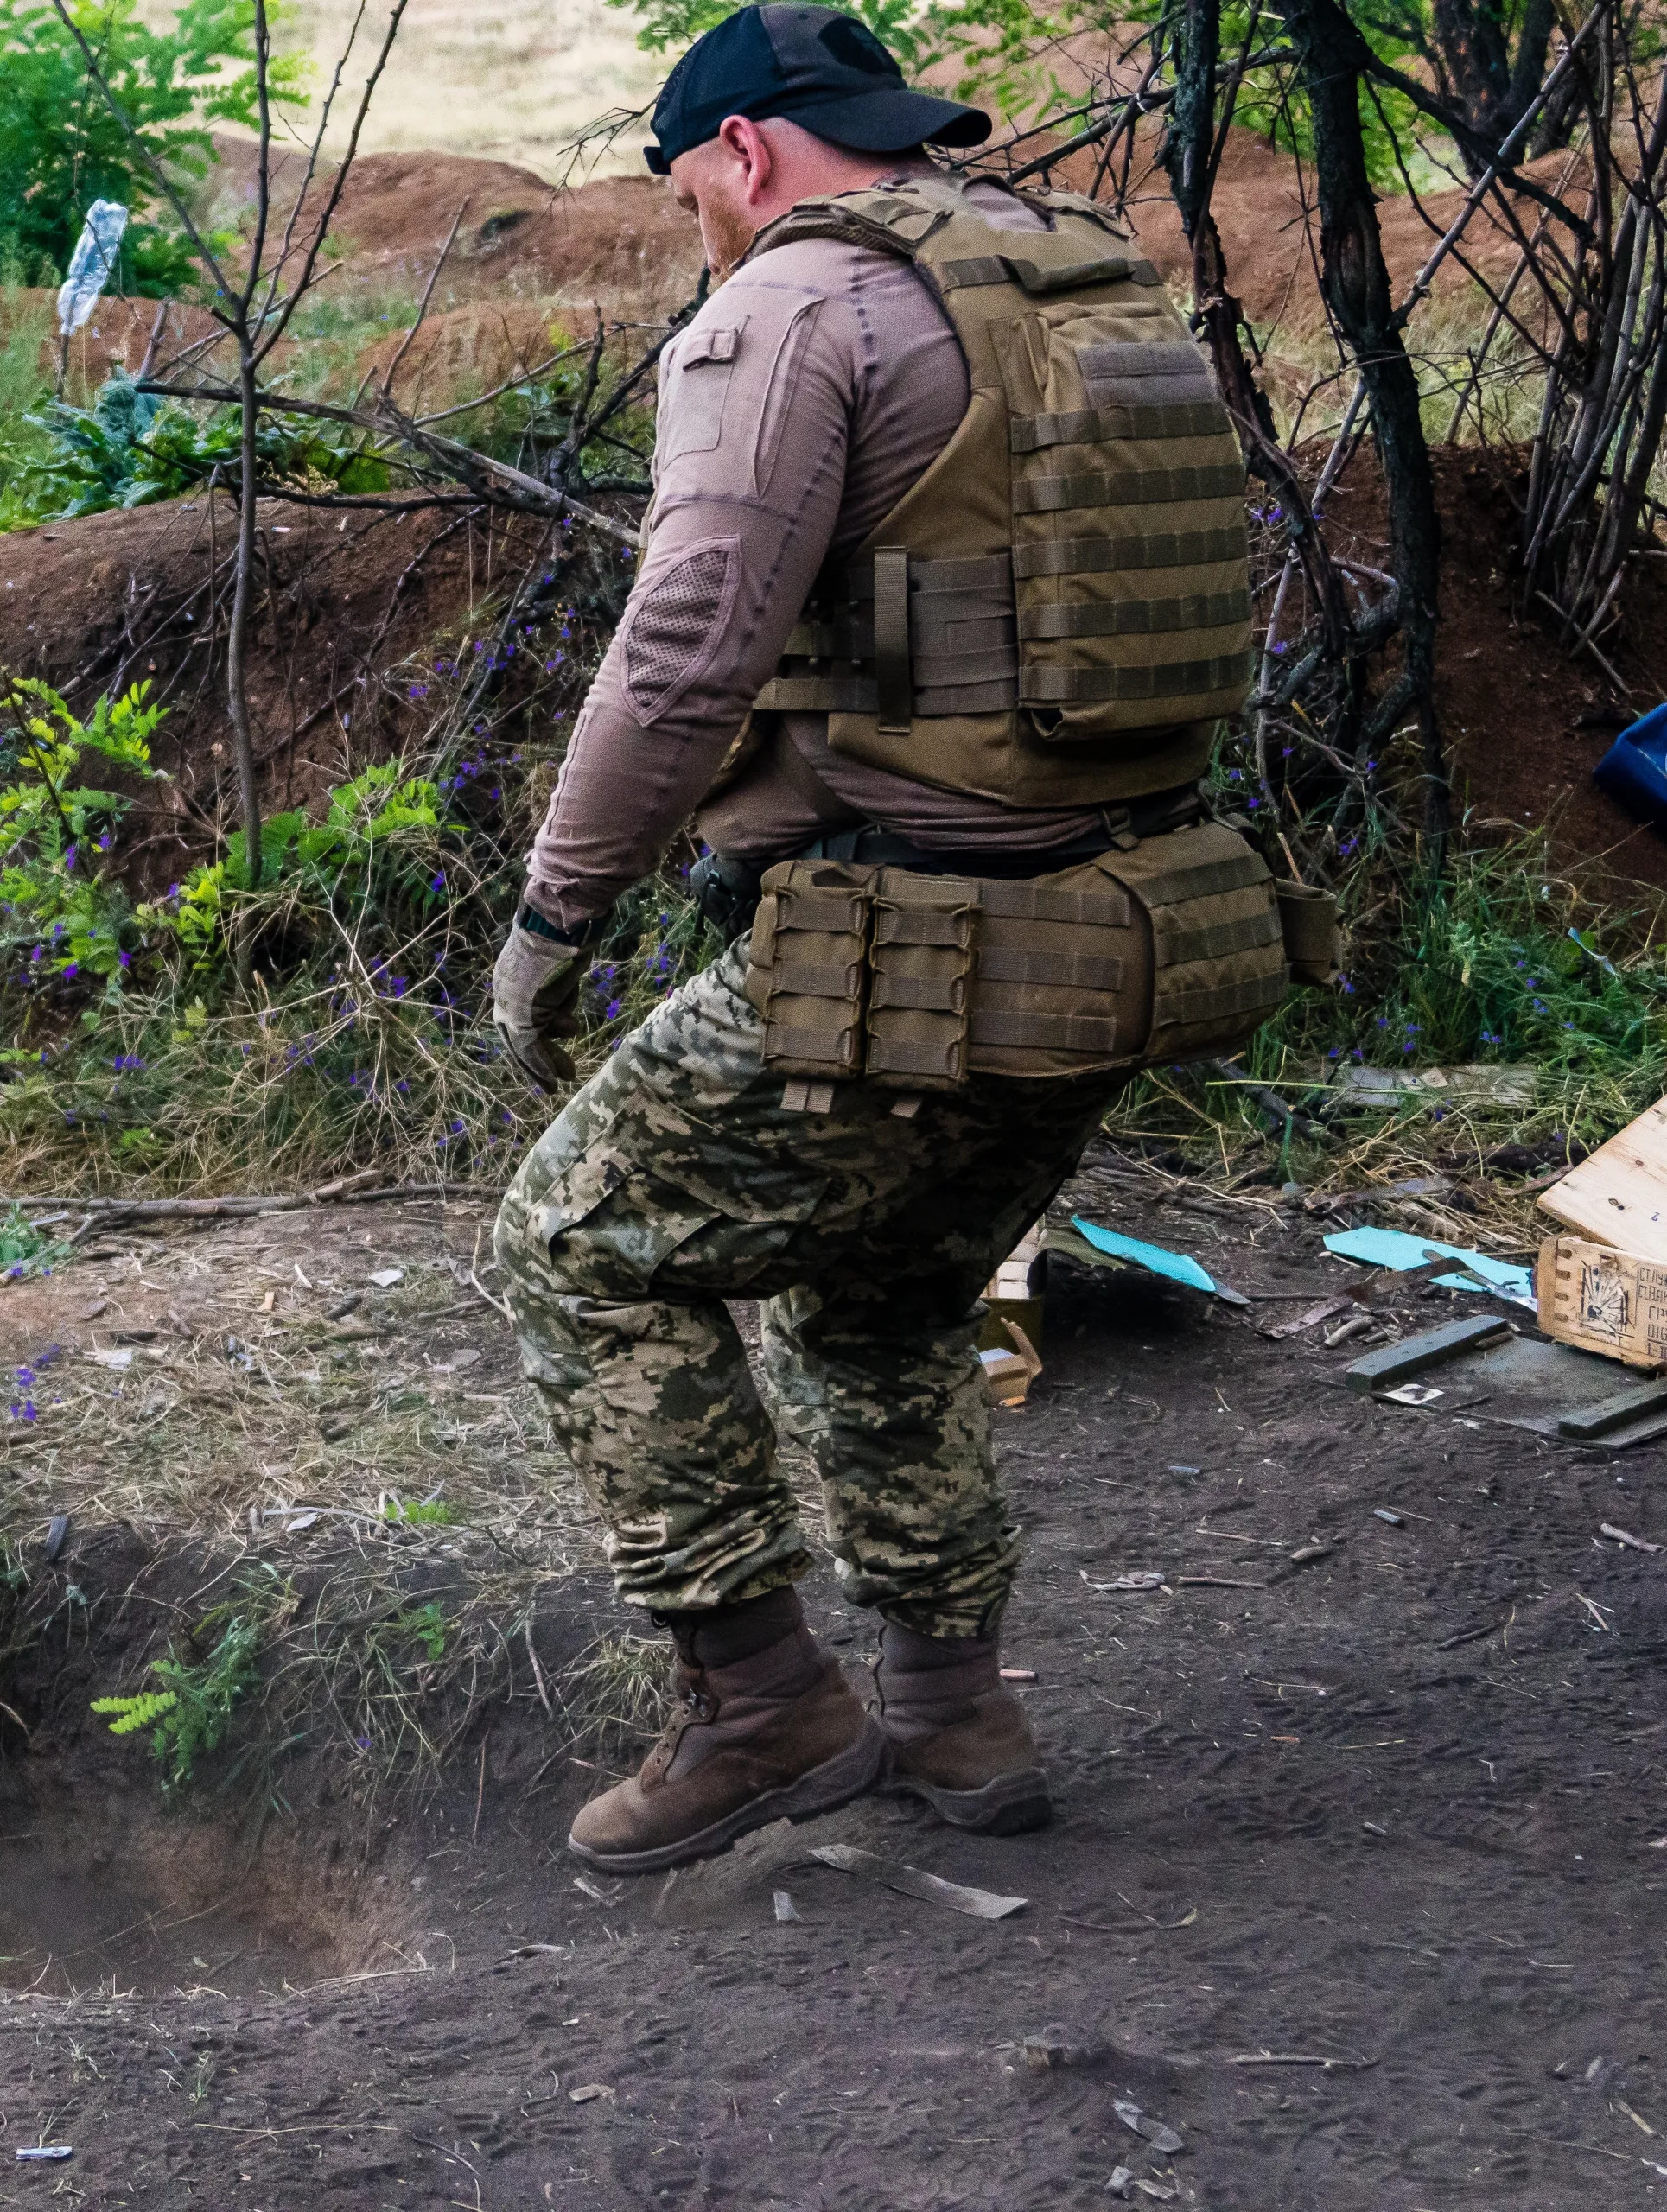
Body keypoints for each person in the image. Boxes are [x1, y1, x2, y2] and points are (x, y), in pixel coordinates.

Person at [491, 5, 1293, 1873]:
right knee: (881, 1296)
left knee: (571, 1245)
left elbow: (687, 646)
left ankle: (760, 1705)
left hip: (922, 948)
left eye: (689, 187)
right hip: (1145, 924)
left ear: (745, 150)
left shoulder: (796, 303)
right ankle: (953, 1712)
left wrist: (557, 907)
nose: (697, 222)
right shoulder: (1078, 274)